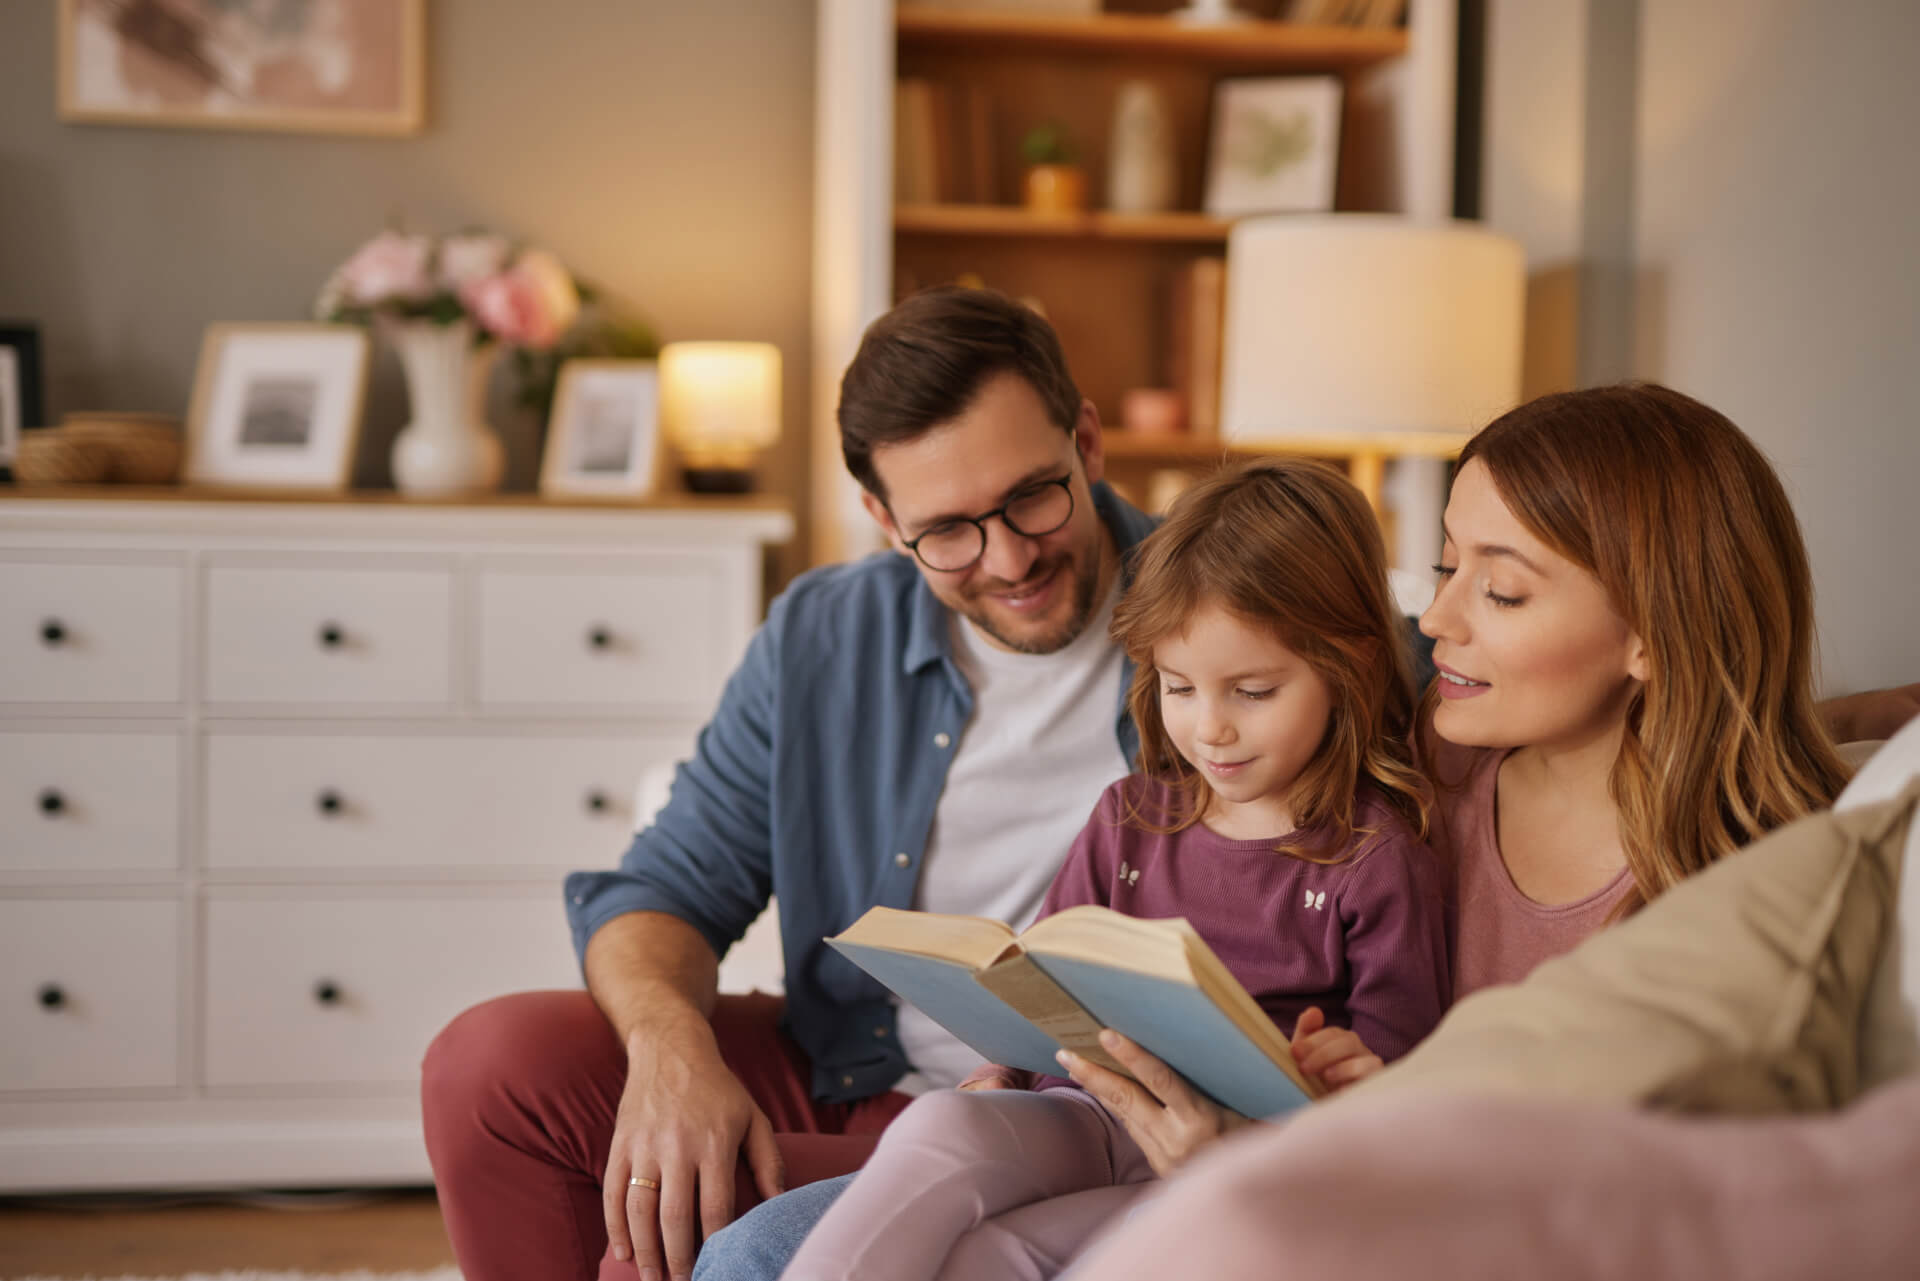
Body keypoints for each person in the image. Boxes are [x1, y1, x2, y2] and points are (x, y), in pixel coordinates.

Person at [694, 382, 1867, 1280]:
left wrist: (1264, 1161)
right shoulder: (1428, 762)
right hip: (1134, 1139)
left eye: (1498, 590)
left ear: (1654, 634)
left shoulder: (1754, 908)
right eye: (1447, 564)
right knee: (761, 1248)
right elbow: (1279, 648)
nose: (1436, 613)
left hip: (1313, 1216)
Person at [419, 286, 1168, 1281]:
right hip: (859, 1074)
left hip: (1076, 1124)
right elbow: (666, 889)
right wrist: (670, 1052)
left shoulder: (1228, 614)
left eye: (1034, 493)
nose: (1010, 558)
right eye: (946, 531)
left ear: (1087, 439)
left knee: (653, 1238)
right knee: (492, 1066)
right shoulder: (827, 632)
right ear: (881, 516)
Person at [776, 458, 1451, 1281]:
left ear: (1349, 667)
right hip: (1093, 1115)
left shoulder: (1372, 861)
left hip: (1231, 1165)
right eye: (1179, 686)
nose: (1210, 729)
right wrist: (1004, 1067)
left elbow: (1398, 1082)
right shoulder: (1130, 817)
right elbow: (1039, 984)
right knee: (939, 1127)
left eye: (1253, 691)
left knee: (1002, 1256)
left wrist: (1341, 1077)